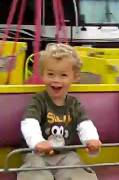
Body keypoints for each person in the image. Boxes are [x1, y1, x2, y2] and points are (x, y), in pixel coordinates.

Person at [18, 43, 101, 180]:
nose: (56, 80)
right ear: (42, 74)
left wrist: (91, 139)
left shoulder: (74, 104)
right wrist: (38, 142)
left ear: (75, 77)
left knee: (79, 174)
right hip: (37, 154)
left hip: (66, 154)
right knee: (35, 174)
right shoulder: (38, 101)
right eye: (50, 74)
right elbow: (29, 122)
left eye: (63, 75)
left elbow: (84, 124)